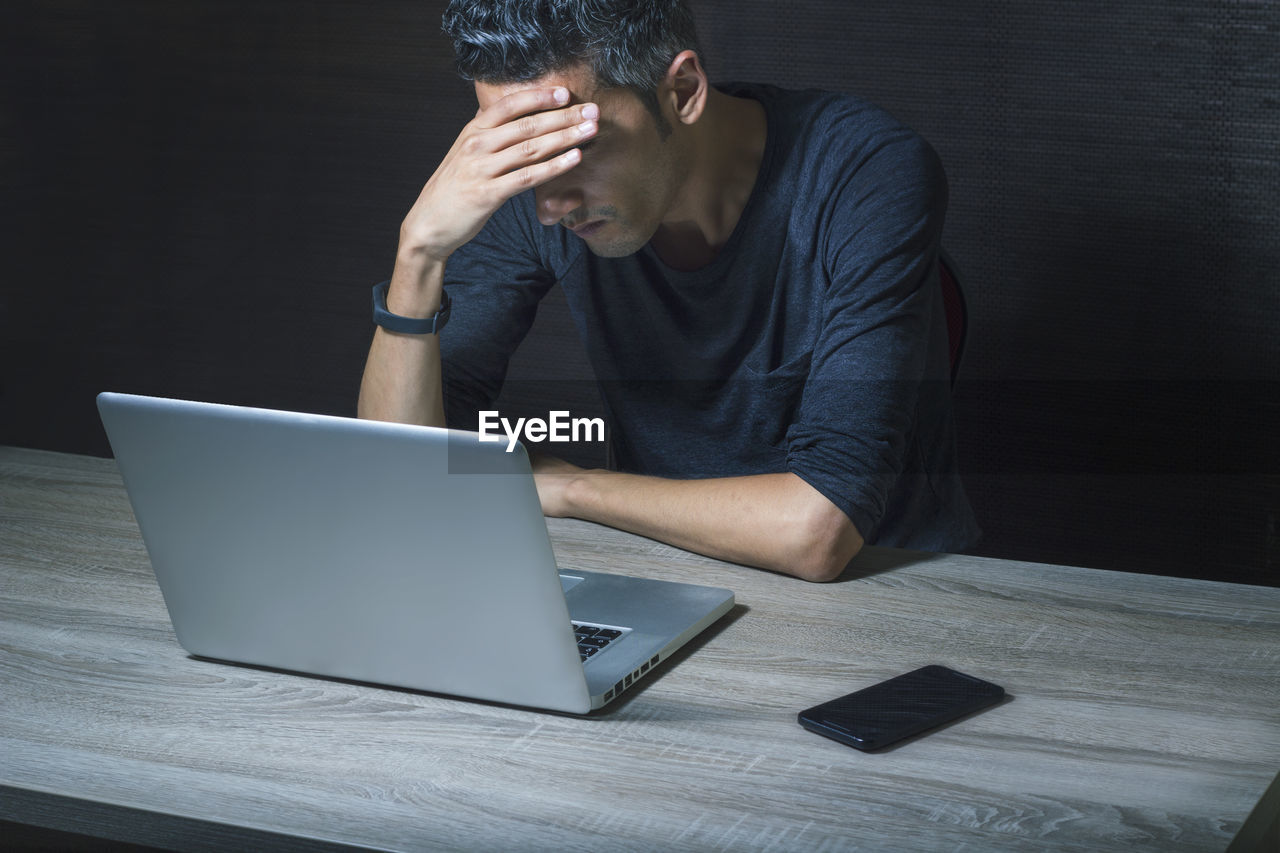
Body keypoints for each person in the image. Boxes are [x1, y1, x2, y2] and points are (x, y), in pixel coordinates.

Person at [358, 0, 980, 581]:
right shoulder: (542, 192)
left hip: (890, 591)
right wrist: (418, 254)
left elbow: (818, 531)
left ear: (681, 92)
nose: (550, 205)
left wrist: (573, 487)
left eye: (576, 148)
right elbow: (402, 475)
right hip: (662, 567)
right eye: (522, 152)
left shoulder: (866, 171)